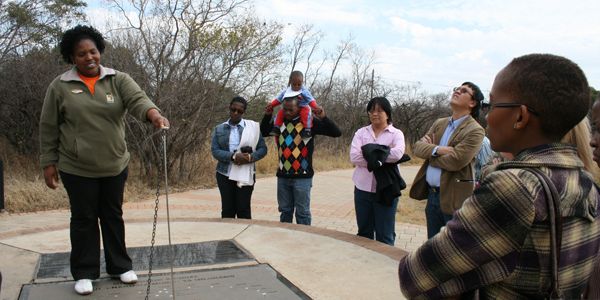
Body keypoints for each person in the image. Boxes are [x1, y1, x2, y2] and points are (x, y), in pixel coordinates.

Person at [399, 54, 600, 299]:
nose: (486, 117)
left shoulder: (513, 186)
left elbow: (415, 275)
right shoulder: (586, 183)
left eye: (492, 106)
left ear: (520, 117)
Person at [39, 25, 169, 295]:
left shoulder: (117, 79)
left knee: (112, 215)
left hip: (114, 164)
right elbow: (48, 126)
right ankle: (84, 272)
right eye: (81, 54)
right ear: (72, 58)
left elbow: (138, 100)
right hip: (76, 167)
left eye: (93, 51)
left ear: (100, 51)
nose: (89, 58)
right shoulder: (60, 86)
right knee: (84, 218)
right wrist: (48, 162)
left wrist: (154, 115)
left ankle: (120, 267)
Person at [409, 82, 485, 238]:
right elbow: (417, 147)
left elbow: (456, 161)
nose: (457, 91)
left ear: (472, 102)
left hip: (454, 199)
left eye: (463, 91)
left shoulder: (476, 130)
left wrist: (430, 154)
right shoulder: (440, 123)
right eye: (456, 89)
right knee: (432, 244)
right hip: (432, 195)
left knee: (452, 249)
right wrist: (438, 150)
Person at [260, 93, 341, 225]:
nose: (287, 112)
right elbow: (263, 132)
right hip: (283, 175)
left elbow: (336, 132)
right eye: (284, 109)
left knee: (302, 213)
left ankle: (304, 242)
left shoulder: (309, 123)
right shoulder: (278, 122)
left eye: (291, 109)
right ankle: (285, 240)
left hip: (303, 177)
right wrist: (268, 115)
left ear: (299, 107)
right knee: (285, 211)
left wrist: (323, 117)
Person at [350, 97, 406, 245]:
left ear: (387, 113)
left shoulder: (396, 134)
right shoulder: (361, 133)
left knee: (385, 235)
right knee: (364, 233)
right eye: (371, 111)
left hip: (387, 189)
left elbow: (397, 154)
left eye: (379, 111)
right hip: (362, 189)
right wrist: (382, 157)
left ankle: (385, 267)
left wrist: (370, 154)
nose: (375, 114)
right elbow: (355, 156)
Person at [211, 96, 268, 219]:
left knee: (243, 210)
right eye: (233, 109)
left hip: (245, 173)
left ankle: (244, 238)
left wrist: (250, 157)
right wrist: (233, 156)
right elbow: (215, 151)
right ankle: (226, 236)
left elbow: (263, 149)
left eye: (240, 111)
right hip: (224, 173)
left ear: (244, 112)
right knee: (227, 210)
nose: (236, 113)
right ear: (229, 108)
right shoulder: (219, 128)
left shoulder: (253, 128)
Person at [266, 71, 322, 138]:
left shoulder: (304, 91)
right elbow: (278, 99)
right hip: (289, 109)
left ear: (302, 82)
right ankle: (277, 128)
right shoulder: (286, 91)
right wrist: (271, 105)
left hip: (303, 106)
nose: (296, 86)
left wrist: (316, 107)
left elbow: (311, 100)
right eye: (294, 84)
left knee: (306, 114)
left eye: (299, 84)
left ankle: (307, 130)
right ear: (290, 82)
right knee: (280, 113)